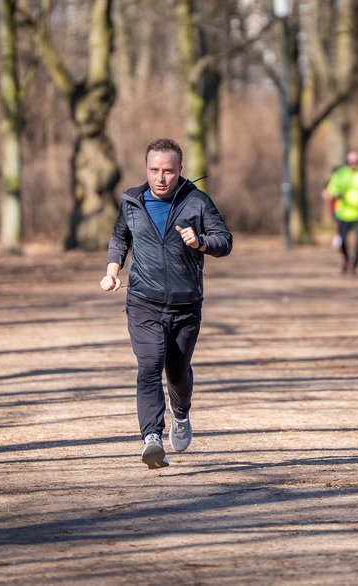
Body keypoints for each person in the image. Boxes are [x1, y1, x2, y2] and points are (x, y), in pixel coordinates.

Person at [100, 138, 232, 469]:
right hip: (144, 300)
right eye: (154, 170)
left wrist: (200, 242)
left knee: (177, 372)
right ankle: (151, 437)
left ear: (180, 171)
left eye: (168, 171)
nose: (161, 178)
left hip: (186, 304)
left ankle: (182, 412)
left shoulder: (197, 202)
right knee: (149, 365)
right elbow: (120, 238)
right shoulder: (132, 201)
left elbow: (224, 241)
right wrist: (112, 270)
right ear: (146, 169)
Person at [325, 150, 358, 275]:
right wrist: (335, 193)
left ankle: (354, 266)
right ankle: (346, 259)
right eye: (351, 162)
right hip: (343, 214)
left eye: (356, 162)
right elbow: (331, 188)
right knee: (342, 241)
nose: (353, 164)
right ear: (347, 162)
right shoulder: (340, 174)